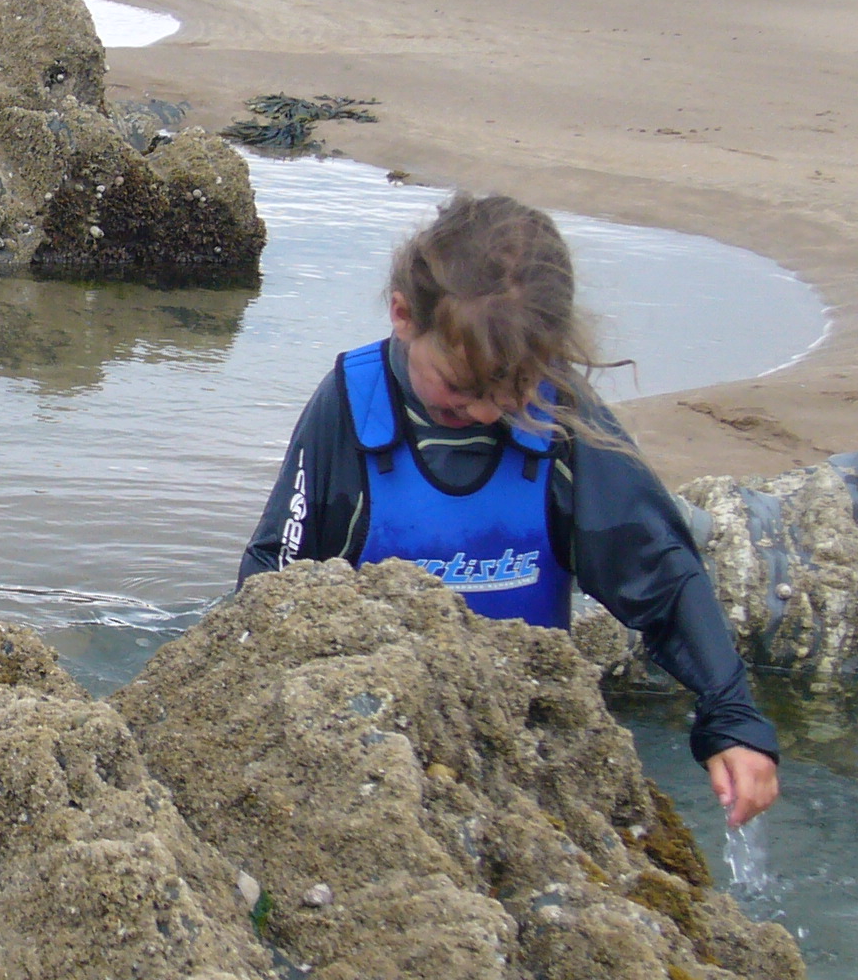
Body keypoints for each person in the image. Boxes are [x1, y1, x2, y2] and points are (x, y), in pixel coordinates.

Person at [240, 191, 780, 827]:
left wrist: (731, 716)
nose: (486, 411)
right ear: (403, 315)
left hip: (526, 758)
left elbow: (662, 576)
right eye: (462, 387)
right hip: (371, 763)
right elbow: (273, 576)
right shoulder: (351, 408)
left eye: (513, 388)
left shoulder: (559, 419)